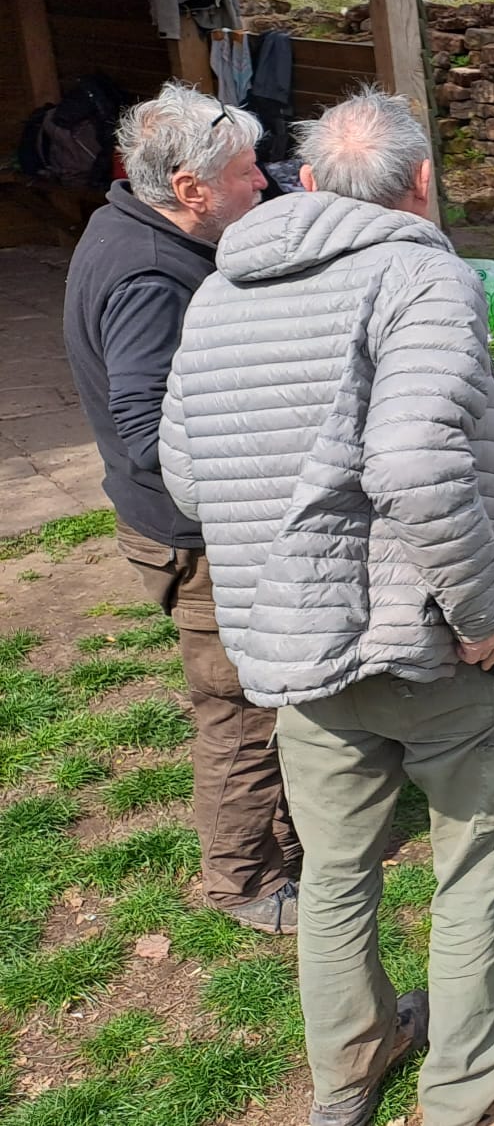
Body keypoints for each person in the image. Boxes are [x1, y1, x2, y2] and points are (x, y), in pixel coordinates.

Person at [159, 88, 494, 1126]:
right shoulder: (422, 276)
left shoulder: (220, 291)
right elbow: (411, 463)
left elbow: (184, 474)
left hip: (294, 640)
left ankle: (346, 1081)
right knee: (477, 864)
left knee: (334, 874)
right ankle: (468, 1095)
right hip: (424, 639)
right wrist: (482, 611)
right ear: (421, 184)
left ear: (312, 181)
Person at [61, 82, 298, 934]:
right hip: (195, 539)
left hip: (190, 527)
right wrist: (247, 484)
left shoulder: (136, 225)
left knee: (264, 695)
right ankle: (245, 882)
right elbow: (143, 426)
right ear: (190, 188)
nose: (263, 182)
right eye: (245, 172)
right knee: (238, 707)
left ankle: (287, 838)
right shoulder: (151, 273)